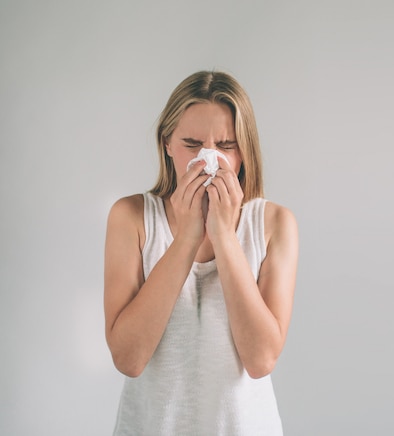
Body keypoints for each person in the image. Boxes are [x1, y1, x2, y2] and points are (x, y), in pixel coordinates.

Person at [104, 70, 298, 435]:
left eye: (225, 146)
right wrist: (186, 239)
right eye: (192, 144)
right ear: (167, 143)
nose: (209, 160)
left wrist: (224, 237)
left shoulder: (275, 224)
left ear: (244, 150)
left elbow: (260, 360)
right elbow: (128, 359)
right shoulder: (131, 217)